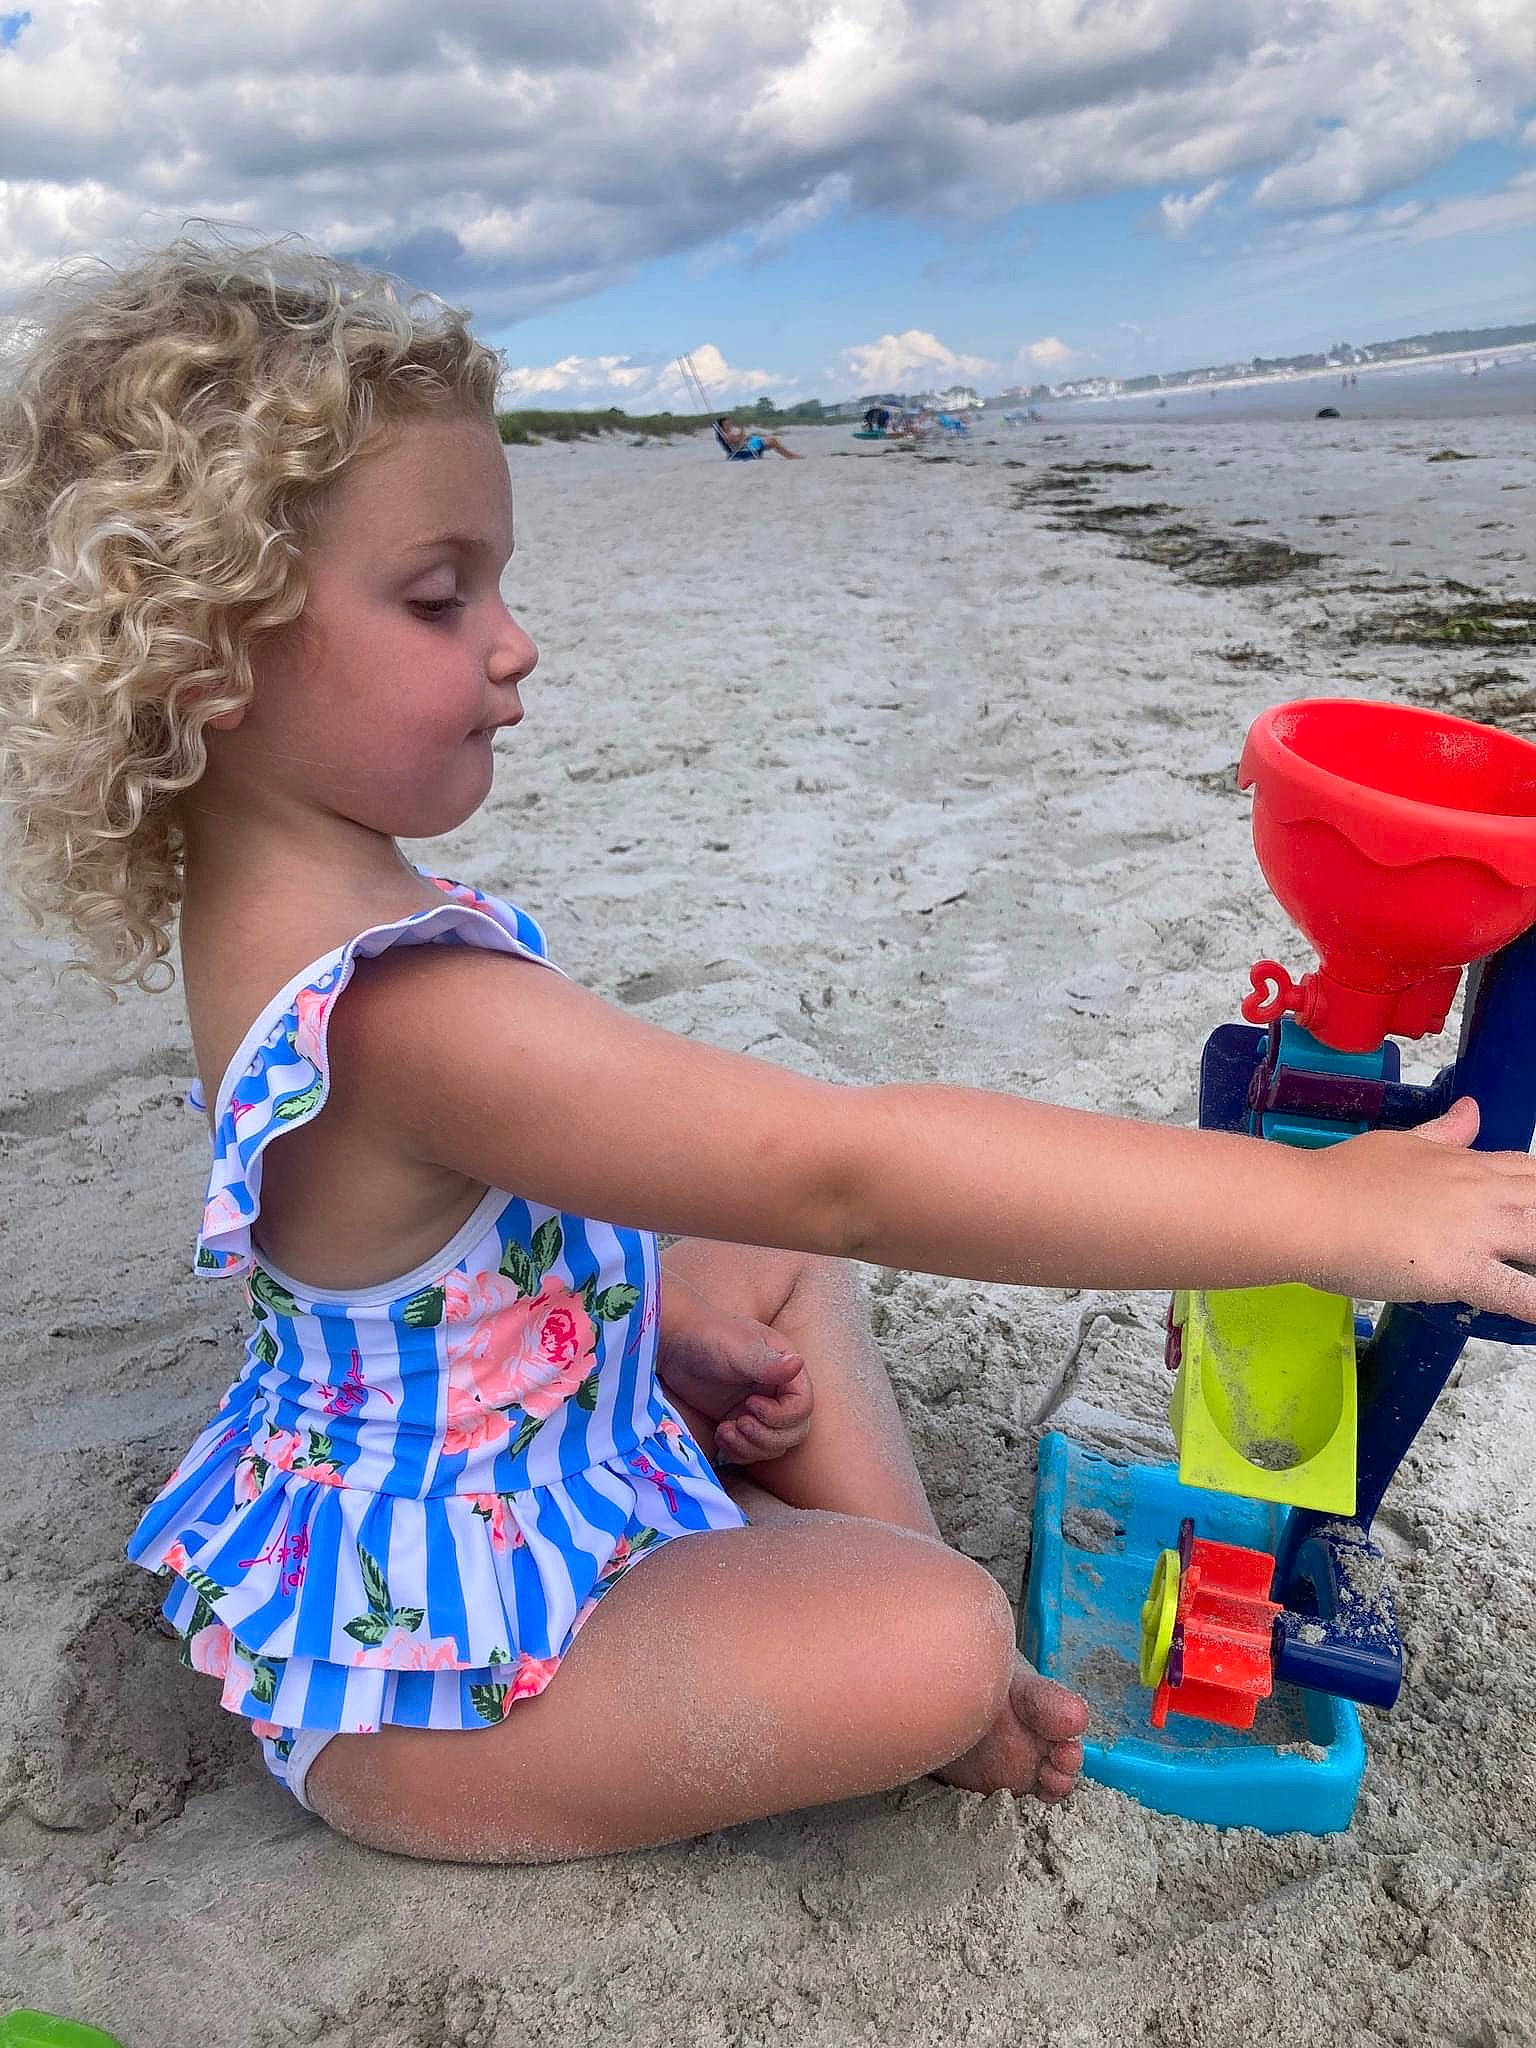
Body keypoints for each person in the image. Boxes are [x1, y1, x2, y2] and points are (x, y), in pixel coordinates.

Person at [5, 236, 1536, 1868]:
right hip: (431, 1689)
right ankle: (908, 1644)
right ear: (204, 660)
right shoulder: (404, 1011)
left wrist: (630, 1319)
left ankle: (850, 1580)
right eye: (440, 596)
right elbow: (852, 1164)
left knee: (754, 1253)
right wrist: (1333, 1211)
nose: (513, 643)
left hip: (467, 1451)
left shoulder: (265, 899)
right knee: (934, 1632)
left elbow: (413, 1242)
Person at [716, 413, 802, 458]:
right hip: (748, 449)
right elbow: (739, 444)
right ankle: (790, 456)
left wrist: (742, 434)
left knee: (772, 441)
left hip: (748, 445)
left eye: (729, 423)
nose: (730, 425)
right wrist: (742, 433)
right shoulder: (728, 436)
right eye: (726, 424)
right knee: (773, 441)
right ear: (722, 427)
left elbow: (738, 439)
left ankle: (789, 455)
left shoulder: (728, 434)